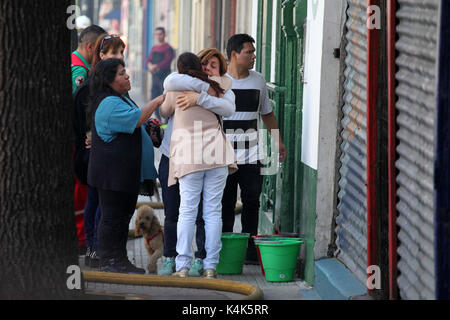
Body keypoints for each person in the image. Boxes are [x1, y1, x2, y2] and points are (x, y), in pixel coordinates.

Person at [157, 49, 237, 277]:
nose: (208, 68)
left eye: (213, 64)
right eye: (205, 64)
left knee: (188, 211)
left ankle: (183, 266)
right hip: (215, 155)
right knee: (211, 212)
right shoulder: (219, 88)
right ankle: (210, 265)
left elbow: (164, 109)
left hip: (189, 155)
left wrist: (198, 96)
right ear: (198, 66)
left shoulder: (178, 87)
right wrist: (205, 90)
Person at [87, 58, 164, 273]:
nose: (127, 76)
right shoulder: (109, 103)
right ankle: (109, 261)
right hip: (111, 174)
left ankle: (120, 260)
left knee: (123, 217)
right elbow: (137, 118)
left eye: (125, 71)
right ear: (109, 80)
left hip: (126, 173)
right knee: (112, 217)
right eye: (121, 73)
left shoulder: (121, 98)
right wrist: (157, 102)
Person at [221, 34, 287, 264]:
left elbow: (267, 113)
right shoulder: (218, 82)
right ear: (234, 55)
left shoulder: (258, 81)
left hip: (252, 155)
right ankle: (225, 250)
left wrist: (277, 141)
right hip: (223, 157)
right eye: (249, 52)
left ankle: (250, 251)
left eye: (253, 52)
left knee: (252, 202)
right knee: (225, 204)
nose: (253, 56)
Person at [73, 33, 127, 268]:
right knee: (97, 204)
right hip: (95, 157)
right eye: (114, 53)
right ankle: (96, 252)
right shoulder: (89, 88)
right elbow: (81, 122)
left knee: (107, 206)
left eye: (121, 53)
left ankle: (107, 252)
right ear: (100, 55)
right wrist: (89, 137)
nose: (119, 58)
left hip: (113, 157)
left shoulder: (116, 86)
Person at [71, 24, 106, 253]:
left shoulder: (75, 63)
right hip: (78, 140)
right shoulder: (80, 71)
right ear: (92, 47)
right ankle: (81, 239)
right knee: (80, 190)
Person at [146, 27, 175, 121]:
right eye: (157, 34)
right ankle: (159, 121)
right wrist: (150, 65)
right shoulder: (154, 48)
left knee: (165, 99)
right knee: (154, 98)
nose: (158, 36)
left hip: (164, 78)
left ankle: (166, 122)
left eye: (160, 34)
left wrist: (156, 66)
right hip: (154, 79)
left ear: (164, 35)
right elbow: (148, 60)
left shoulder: (168, 48)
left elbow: (167, 61)